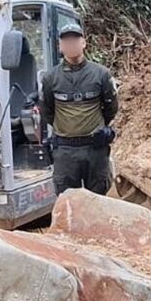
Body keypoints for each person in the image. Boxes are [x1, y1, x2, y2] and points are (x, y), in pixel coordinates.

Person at [40, 22, 118, 195]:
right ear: (60, 46)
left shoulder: (101, 74)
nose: (71, 44)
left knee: (98, 201)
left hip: (94, 149)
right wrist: (68, 129)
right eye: (66, 41)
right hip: (65, 152)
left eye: (75, 40)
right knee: (68, 203)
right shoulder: (50, 78)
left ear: (83, 43)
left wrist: (96, 128)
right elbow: (47, 111)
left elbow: (111, 107)